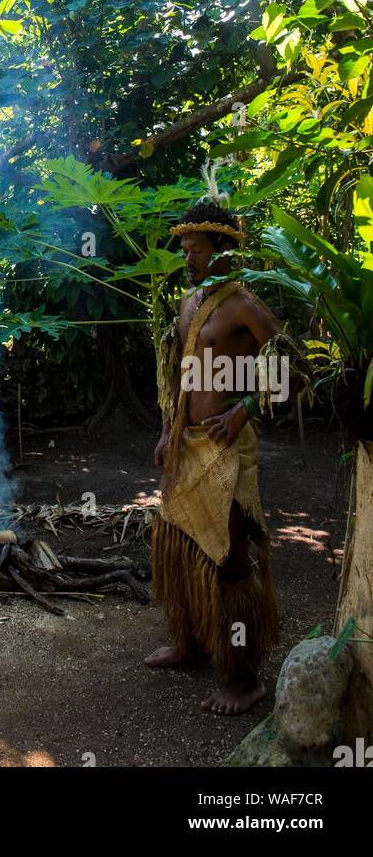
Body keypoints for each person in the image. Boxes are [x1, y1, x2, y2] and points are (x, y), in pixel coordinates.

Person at [145, 194, 292, 715]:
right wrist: (168, 430)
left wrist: (244, 409)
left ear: (224, 250)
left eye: (198, 249)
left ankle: (243, 677)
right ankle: (190, 643)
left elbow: (291, 366)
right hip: (186, 444)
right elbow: (183, 375)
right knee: (180, 541)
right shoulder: (190, 302)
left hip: (228, 447)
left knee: (228, 559)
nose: (188, 258)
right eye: (184, 249)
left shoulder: (244, 305)